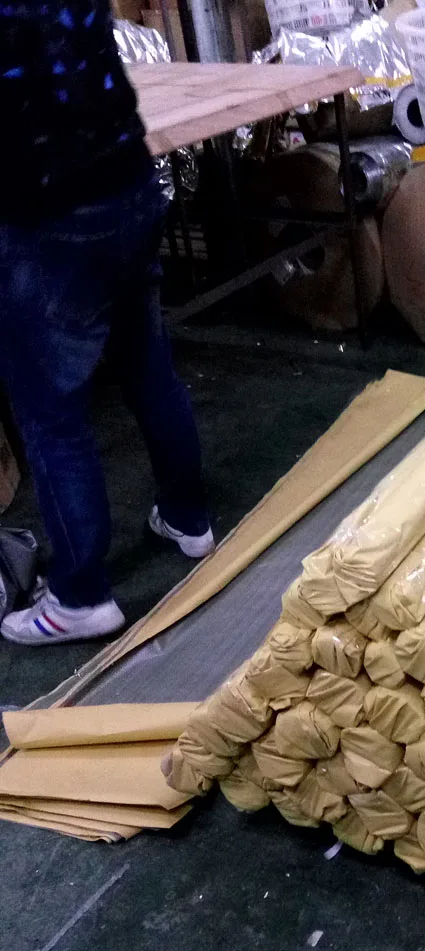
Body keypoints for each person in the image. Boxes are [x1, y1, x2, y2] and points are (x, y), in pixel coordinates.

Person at [0, 1, 214, 646]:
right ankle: (188, 518)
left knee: (51, 417)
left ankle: (80, 598)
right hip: (126, 186)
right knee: (148, 369)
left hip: (50, 216)